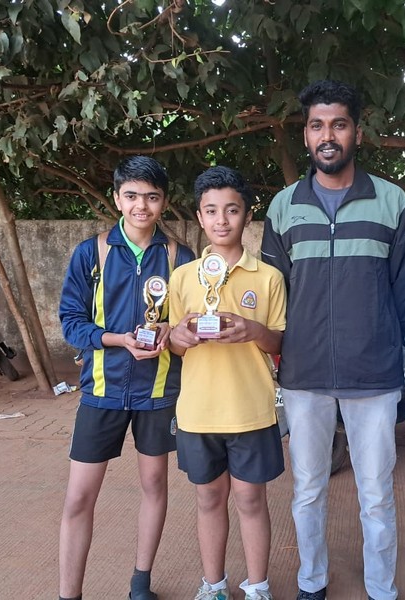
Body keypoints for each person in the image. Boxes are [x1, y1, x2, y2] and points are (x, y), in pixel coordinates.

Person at [261, 80, 405, 600]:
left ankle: (381, 588)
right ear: (306, 135)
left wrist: (389, 354)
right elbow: (275, 294)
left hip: (372, 374)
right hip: (304, 373)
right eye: (317, 126)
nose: (327, 135)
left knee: (376, 494)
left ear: (357, 132)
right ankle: (312, 581)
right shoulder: (283, 207)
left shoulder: (393, 202)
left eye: (338, 124)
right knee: (308, 490)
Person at [58, 155, 195, 600]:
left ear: (164, 202)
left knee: (154, 485)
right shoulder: (92, 253)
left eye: (151, 197)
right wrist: (117, 339)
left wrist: (171, 331)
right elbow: (71, 322)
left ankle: (140, 582)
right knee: (79, 497)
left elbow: (191, 321)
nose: (141, 206)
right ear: (117, 198)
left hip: (157, 392)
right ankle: (69, 594)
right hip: (101, 391)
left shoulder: (179, 257)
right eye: (132, 196)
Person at [169, 166, 287, 600]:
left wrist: (253, 331)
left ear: (247, 215)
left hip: (250, 410)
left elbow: (279, 341)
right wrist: (179, 337)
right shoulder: (183, 277)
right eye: (212, 210)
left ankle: (258, 586)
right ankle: (213, 585)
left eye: (232, 210)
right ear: (200, 217)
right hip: (198, 412)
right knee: (208, 500)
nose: (222, 220)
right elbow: (176, 344)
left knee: (251, 501)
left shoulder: (268, 277)